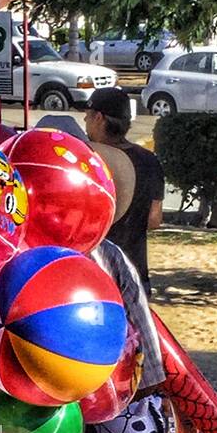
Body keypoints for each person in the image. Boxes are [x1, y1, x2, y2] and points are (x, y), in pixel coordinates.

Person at [84, 85, 165, 294]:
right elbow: (154, 220)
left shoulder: (87, 158)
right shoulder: (149, 161)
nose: (85, 121)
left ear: (99, 118)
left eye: (87, 115)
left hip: (91, 273)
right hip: (134, 273)